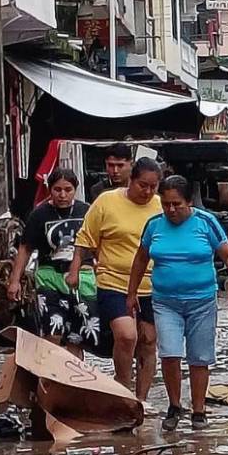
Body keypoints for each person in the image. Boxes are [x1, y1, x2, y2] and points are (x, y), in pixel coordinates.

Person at [128, 176, 228, 432]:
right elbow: (140, 260)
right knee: (170, 353)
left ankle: (198, 410)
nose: (171, 210)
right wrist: (131, 294)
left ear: (189, 202)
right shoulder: (154, 225)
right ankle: (174, 406)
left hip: (202, 301)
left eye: (177, 204)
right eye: (166, 204)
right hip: (165, 301)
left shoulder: (206, 222)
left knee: (199, 356)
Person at [68, 157, 162, 398]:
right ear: (131, 181)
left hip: (153, 284)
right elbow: (85, 239)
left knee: (148, 341)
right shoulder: (107, 202)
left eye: (153, 187)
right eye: (143, 185)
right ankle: (122, 387)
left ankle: (141, 400)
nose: (148, 192)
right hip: (114, 281)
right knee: (126, 334)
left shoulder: (162, 207)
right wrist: (75, 270)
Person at [7, 168, 99, 356]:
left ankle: (74, 380)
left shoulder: (87, 211)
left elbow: (99, 243)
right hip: (49, 277)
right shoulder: (39, 214)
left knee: (78, 336)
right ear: (50, 189)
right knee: (52, 331)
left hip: (82, 278)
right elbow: (25, 248)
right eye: (57, 190)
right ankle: (48, 378)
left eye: (68, 189)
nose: (63, 195)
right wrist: (15, 281)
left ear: (76, 189)